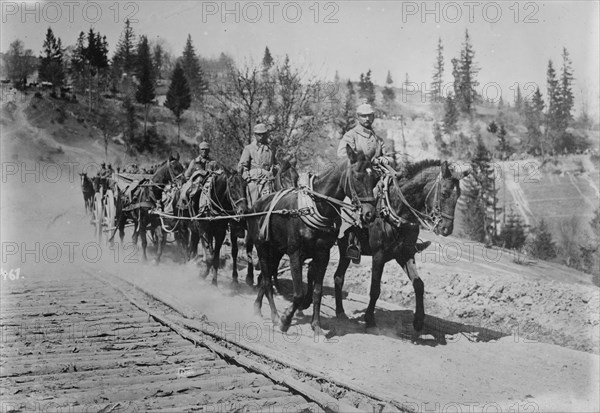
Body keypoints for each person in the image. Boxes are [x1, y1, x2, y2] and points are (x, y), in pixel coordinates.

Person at [337, 103, 429, 263]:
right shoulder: (351, 135)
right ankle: (353, 242)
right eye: (364, 116)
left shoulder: (377, 139)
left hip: (377, 176)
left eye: (370, 115)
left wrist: (381, 159)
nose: (367, 118)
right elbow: (341, 154)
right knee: (352, 207)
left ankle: (407, 241)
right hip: (358, 178)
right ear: (358, 117)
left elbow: (390, 157)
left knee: (400, 195)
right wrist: (361, 161)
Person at [238, 123, 277, 207]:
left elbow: (276, 164)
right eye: (259, 134)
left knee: (271, 204)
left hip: (268, 181)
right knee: (253, 205)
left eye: (263, 134)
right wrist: (247, 178)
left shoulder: (272, 149)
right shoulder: (249, 148)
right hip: (253, 181)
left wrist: (275, 170)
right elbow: (242, 166)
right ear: (255, 135)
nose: (261, 136)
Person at [179, 142, 217, 209]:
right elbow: (187, 175)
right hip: (197, 186)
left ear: (209, 151)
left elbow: (217, 174)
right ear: (199, 150)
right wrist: (192, 182)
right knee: (193, 197)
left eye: (206, 149)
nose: (204, 151)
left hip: (210, 186)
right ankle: (191, 212)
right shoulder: (194, 162)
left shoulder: (213, 163)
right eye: (202, 149)